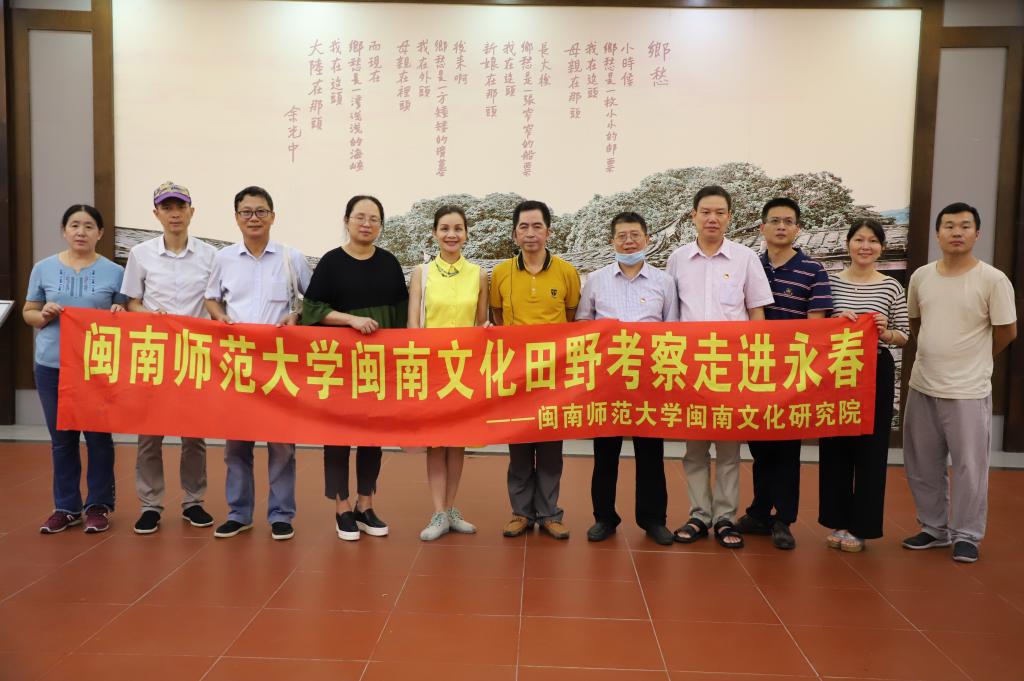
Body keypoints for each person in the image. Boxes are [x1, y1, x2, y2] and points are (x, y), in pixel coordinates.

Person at [901, 202, 1017, 563]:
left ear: (976, 234)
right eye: (949, 226)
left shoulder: (993, 279)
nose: (956, 232)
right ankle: (934, 528)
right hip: (923, 384)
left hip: (968, 390)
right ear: (937, 234)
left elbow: (1007, 331)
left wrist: (978, 357)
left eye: (965, 226)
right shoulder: (922, 277)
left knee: (970, 467)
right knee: (922, 463)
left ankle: (967, 534)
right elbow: (916, 322)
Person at [665, 185, 774, 549]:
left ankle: (725, 517)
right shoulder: (677, 259)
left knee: (729, 450)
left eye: (720, 212)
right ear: (693, 216)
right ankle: (699, 515)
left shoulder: (746, 258)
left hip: (733, 369)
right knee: (695, 449)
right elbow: (671, 315)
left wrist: (754, 362)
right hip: (691, 368)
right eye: (705, 212)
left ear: (729, 217)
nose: (712, 218)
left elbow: (756, 311)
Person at [205, 186, 311, 541]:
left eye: (261, 211)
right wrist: (220, 317)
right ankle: (239, 513)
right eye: (247, 212)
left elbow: (312, 301)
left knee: (281, 445)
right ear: (236, 218)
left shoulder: (292, 258)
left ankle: (281, 515)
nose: (254, 218)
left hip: (278, 365)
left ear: (273, 216)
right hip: (236, 365)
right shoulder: (223, 258)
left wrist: (297, 315)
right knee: (237, 444)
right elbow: (211, 299)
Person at [302, 195, 408, 541]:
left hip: (377, 368)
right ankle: (342, 507)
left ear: (381, 225)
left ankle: (366, 505)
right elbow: (312, 310)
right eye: (360, 217)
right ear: (346, 220)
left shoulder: (390, 264)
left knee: (372, 437)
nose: (366, 224)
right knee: (337, 437)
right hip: (339, 367)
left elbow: (401, 317)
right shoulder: (331, 263)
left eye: (374, 219)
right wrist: (350, 320)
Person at [575, 212, 677, 546]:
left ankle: (653, 519)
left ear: (647, 239)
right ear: (612, 241)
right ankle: (604, 517)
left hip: (650, 379)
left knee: (651, 453)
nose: (629, 241)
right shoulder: (596, 280)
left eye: (635, 235)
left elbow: (674, 330)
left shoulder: (664, 281)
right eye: (622, 236)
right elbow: (582, 324)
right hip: (608, 380)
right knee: (605, 453)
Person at [736, 198, 832, 550]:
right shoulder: (750, 265)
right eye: (774, 221)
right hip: (754, 370)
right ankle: (760, 512)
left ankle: (784, 518)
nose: (781, 226)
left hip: (793, 371)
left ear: (797, 229)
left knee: (787, 448)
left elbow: (816, 326)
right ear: (762, 228)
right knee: (760, 445)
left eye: (788, 221)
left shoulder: (813, 270)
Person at [121, 181, 217, 534]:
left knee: (194, 435)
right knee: (150, 434)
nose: (174, 214)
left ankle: (194, 501)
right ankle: (150, 505)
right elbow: (132, 302)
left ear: (192, 211)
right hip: (155, 353)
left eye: (180, 207)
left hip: (195, 354)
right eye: (167, 207)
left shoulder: (211, 256)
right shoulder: (141, 253)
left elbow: (216, 302)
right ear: (156, 213)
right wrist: (151, 316)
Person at [23, 204, 126, 534]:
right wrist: (43, 315)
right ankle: (66, 507)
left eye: (88, 226)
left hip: (97, 366)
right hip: (52, 364)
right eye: (74, 225)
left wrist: (119, 312)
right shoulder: (43, 268)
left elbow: (124, 313)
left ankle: (98, 505)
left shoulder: (115, 272)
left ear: (100, 233)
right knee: (61, 439)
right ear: (64, 231)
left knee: (98, 437)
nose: (81, 232)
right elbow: (29, 311)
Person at [490, 200, 581, 540]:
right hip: (515, 374)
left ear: (548, 232)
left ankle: (549, 513)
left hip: (553, 375)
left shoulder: (566, 272)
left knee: (550, 448)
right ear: (515, 234)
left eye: (537, 226)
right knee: (519, 446)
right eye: (524, 227)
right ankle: (520, 512)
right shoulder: (501, 273)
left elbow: (571, 317)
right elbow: (497, 316)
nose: (530, 233)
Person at [817, 219, 908, 552]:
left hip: (874, 368)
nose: (865, 246)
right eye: (859, 239)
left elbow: (904, 335)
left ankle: (863, 526)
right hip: (837, 370)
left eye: (872, 241)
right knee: (834, 444)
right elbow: (817, 327)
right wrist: (834, 321)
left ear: (881, 248)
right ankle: (838, 520)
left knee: (872, 446)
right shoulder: (829, 283)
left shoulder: (891, 287)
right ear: (848, 244)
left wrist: (885, 331)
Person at [407, 205, 489, 541]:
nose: (451, 234)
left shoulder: (479, 274)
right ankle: (438, 512)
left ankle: (452, 509)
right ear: (435, 233)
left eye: (457, 228)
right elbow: (413, 324)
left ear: (466, 233)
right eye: (444, 228)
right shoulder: (421, 273)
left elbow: (481, 322)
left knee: (457, 443)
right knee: (436, 443)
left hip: (464, 371)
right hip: (433, 370)